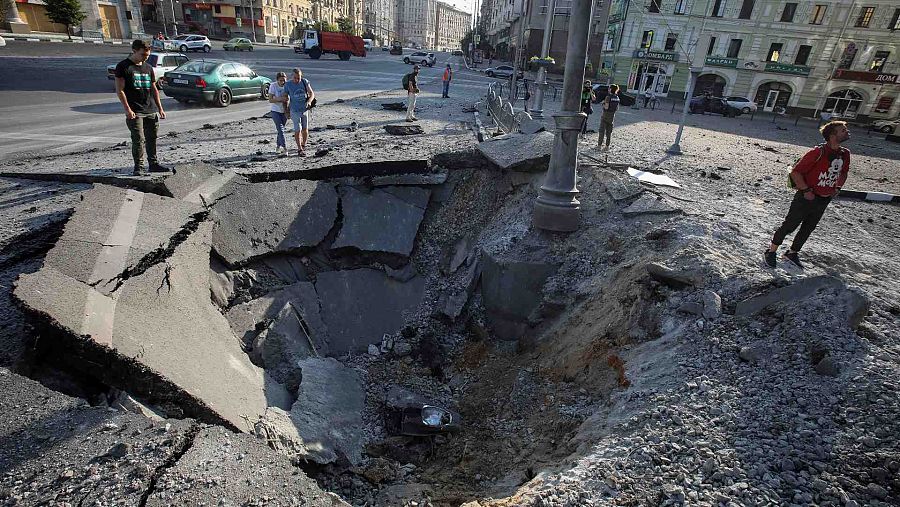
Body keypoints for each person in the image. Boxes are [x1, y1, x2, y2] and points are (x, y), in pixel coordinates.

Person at [764, 121, 851, 269]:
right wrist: (806, 191)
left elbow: (843, 172)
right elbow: (795, 171)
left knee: (808, 228)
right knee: (789, 225)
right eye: (843, 130)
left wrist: (837, 187)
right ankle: (771, 251)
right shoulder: (817, 153)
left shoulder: (845, 154)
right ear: (832, 135)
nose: (847, 132)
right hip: (806, 197)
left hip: (824, 199)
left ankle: (792, 253)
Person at [115, 39, 168, 176]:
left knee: (152, 138)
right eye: (143, 54)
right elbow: (119, 90)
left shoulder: (148, 68)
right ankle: (138, 167)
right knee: (138, 139)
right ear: (134, 51)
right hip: (135, 110)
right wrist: (128, 109)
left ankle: (153, 164)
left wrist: (160, 108)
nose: (145, 57)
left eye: (147, 55)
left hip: (150, 109)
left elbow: (154, 88)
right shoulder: (123, 67)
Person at [284, 67, 315, 156]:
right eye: (295, 78)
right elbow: (286, 98)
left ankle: (303, 145)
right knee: (298, 129)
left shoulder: (305, 82)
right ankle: (299, 149)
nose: (297, 80)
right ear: (291, 77)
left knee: (305, 129)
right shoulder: (288, 85)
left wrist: (309, 101)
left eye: (299, 78)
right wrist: (286, 111)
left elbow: (311, 93)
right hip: (294, 110)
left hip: (304, 109)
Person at [268, 71, 288, 156]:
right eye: (280, 80)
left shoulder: (287, 86)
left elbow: (288, 98)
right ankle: (285, 148)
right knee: (281, 129)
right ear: (277, 80)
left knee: (281, 130)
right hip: (275, 111)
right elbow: (270, 99)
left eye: (284, 80)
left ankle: (277, 147)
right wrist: (280, 99)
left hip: (284, 110)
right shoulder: (273, 86)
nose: (282, 82)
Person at [597, 84, 620, 151]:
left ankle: (599, 146)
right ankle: (607, 146)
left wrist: (603, 104)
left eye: (609, 88)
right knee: (609, 132)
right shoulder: (617, 97)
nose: (608, 89)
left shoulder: (608, 97)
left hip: (605, 115)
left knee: (602, 131)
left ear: (611, 89)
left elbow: (606, 107)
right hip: (612, 115)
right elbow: (617, 108)